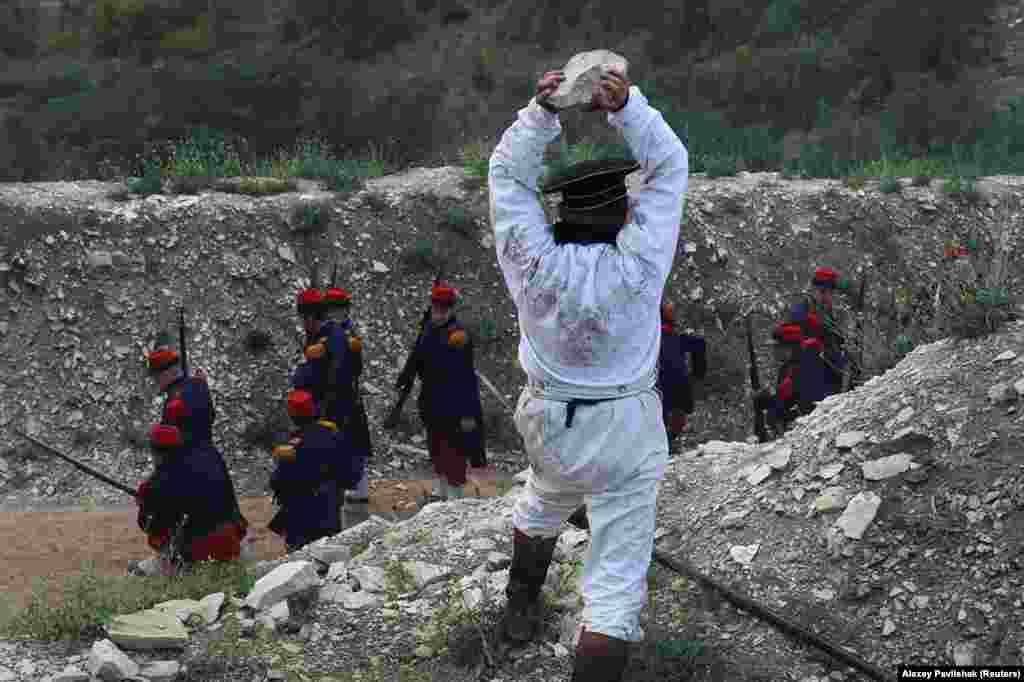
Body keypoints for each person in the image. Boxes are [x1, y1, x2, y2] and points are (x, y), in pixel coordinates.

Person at [489, 64, 688, 681]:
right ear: (621, 217)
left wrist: (540, 114)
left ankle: (518, 612)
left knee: (545, 497)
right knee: (613, 593)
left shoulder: (531, 263)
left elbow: (505, 175)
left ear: (561, 215)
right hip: (624, 426)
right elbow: (671, 164)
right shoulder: (639, 265)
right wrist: (626, 108)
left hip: (550, 420)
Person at [394, 280, 487, 501]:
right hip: (432, 404)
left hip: (454, 407)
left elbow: (465, 378)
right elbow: (417, 358)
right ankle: (444, 499)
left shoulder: (458, 336)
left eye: (444, 308)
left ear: (451, 309)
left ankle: (453, 502)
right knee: (438, 454)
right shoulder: (428, 329)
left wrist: (467, 413)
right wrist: (404, 378)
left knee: (454, 458)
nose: (439, 312)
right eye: (436, 308)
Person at [146, 334, 247, 535]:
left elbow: (169, 444)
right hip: (212, 462)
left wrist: (153, 486)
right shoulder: (198, 385)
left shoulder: (174, 401)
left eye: (157, 375)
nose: (156, 381)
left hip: (186, 469)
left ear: (167, 373)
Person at [132, 424, 246, 576]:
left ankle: (173, 567)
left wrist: (144, 504)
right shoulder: (210, 458)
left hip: (197, 554)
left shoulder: (157, 484)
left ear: (154, 451)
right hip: (232, 544)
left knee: (137, 572)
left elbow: (152, 527)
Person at [292, 285, 368, 507]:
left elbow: (338, 375)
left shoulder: (333, 337)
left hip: (333, 405)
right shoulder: (321, 335)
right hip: (327, 403)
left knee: (342, 455)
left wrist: (324, 407)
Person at [268, 390, 360, 551]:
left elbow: (277, 482)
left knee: (299, 559)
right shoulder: (333, 433)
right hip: (330, 507)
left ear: (292, 416)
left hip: (301, 515)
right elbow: (352, 472)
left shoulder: (291, 447)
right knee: (331, 555)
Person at [321, 284, 374, 509]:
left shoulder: (348, 335)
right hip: (334, 394)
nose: (335, 313)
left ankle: (358, 489)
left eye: (338, 309)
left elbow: (354, 367)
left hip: (345, 394)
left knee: (355, 443)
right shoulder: (329, 332)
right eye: (331, 309)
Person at [656, 301, 706, 452]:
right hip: (681, 390)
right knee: (674, 420)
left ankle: (665, 445)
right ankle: (669, 443)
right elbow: (700, 343)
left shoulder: (650, 339)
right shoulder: (677, 337)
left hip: (660, 391)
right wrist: (697, 375)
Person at [791, 267, 849, 395]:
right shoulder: (800, 312)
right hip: (811, 380)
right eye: (822, 292)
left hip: (833, 378)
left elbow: (837, 344)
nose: (827, 297)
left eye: (830, 293)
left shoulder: (831, 314)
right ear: (813, 290)